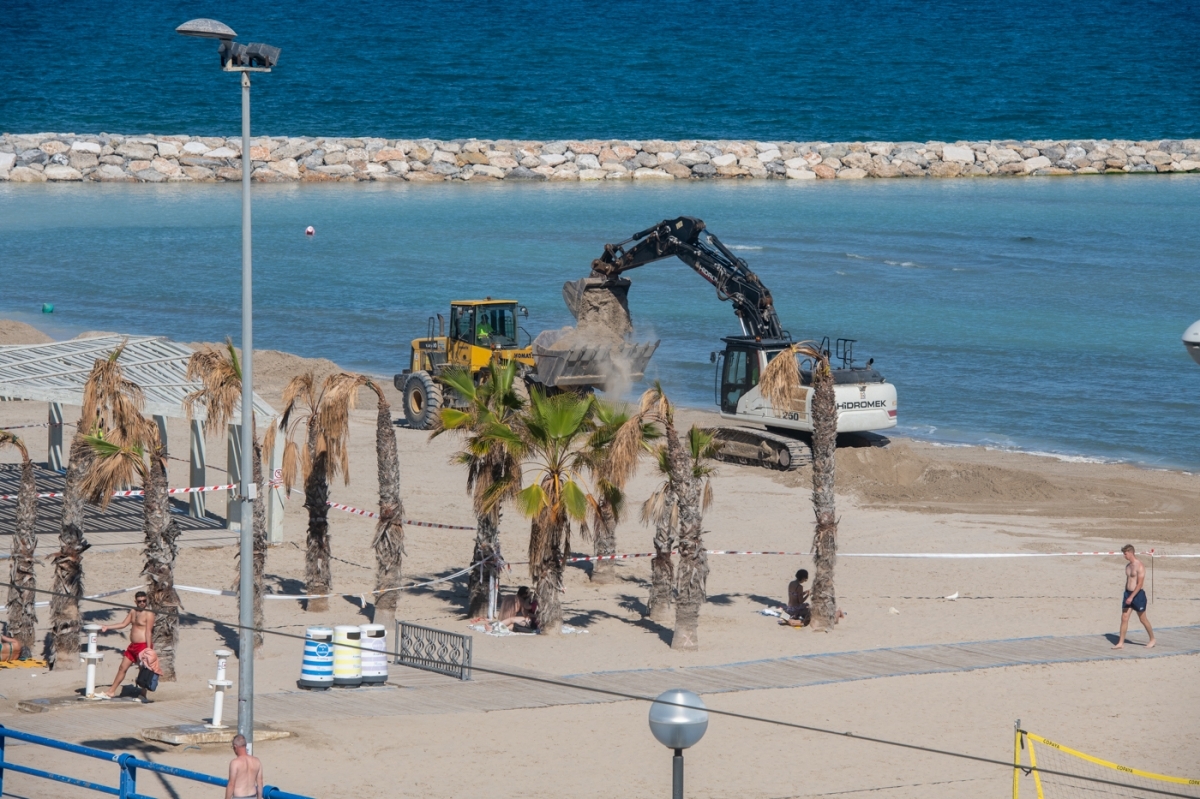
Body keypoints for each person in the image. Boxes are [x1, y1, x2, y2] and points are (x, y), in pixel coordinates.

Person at [94, 591, 155, 700]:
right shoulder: (133, 611)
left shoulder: (149, 614)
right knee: (122, 667)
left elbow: (148, 632)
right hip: (133, 646)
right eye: (140, 601)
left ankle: (143, 695)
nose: (142, 603)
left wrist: (149, 650)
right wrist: (107, 627)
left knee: (143, 670)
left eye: (144, 601)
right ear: (135, 601)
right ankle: (111, 692)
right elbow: (123, 624)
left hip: (143, 646)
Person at [1114, 544, 1155, 649]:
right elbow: (1128, 581)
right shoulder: (1128, 566)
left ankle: (1152, 639)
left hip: (1137, 595)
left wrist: (1131, 597)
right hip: (1128, 593)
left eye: (1125, 554)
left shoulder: (1139, 566)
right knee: (1124, 618)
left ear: (1131, 553)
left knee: (1142, 618)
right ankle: (1121, 643)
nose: (1124, 556)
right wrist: (1126, 594)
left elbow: (1140, 584)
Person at [225, 734, 264, 799]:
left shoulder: (235, 763)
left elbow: (231, 784)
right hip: (253, 796)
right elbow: (260, 783)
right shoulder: (257, 761)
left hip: (239, 796)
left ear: (235, 747)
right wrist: (259, 797)